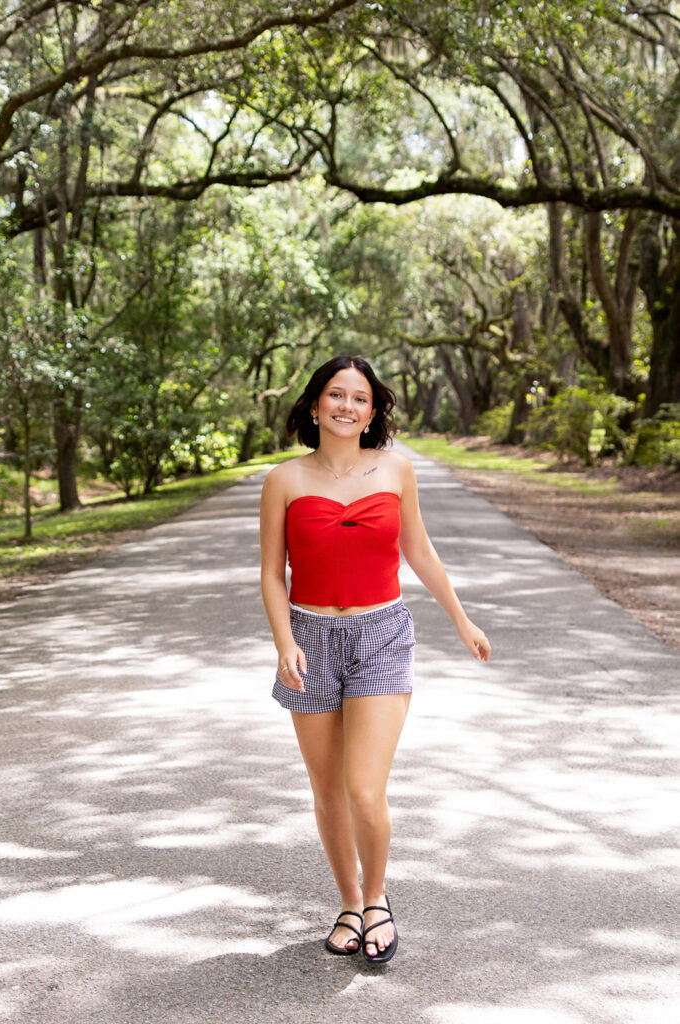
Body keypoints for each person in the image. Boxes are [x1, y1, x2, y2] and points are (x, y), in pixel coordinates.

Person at [259, 354, 490, 964]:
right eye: (336, 395)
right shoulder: (283, 480)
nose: (346, 406)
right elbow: (270, 575)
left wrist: (461, 619)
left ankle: (378, 900)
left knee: (363, 788)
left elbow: (419, 550)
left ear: (372, 411)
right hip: (310, 638)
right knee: (328, 789)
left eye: (359, 398)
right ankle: (347, 901)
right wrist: (285, 641)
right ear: (314, 405)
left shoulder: (396, 469)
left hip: (382, 634)